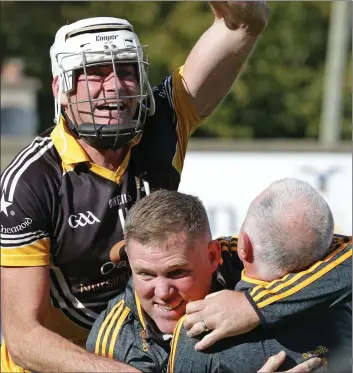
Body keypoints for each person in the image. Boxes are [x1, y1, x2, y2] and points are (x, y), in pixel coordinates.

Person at [0, 3, 349, 372]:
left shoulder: (162, 120)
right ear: (61, 86)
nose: (115, 86)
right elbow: (23, 339)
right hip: (70, 360)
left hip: (153, 334)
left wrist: (255, 307)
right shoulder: (30, 182)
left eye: (127, 71)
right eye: (95, 73)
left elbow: (242, 25)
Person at [86, 183, 352, 373]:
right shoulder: (115, 340)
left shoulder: (240, 255)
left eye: (177, 273)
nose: (163, 291)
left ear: (213, 256)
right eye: (145, 274)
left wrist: (256, 305)